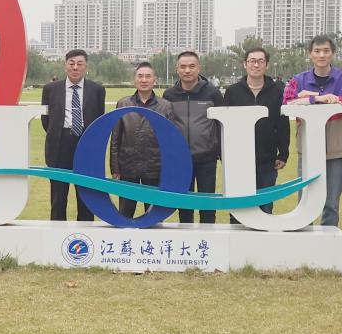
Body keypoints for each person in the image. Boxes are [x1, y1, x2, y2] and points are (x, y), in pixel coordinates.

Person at [283, 35, 342, 227]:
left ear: (333, 53)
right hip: (308, 149)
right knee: (305, 200)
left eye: (326, 51)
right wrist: (317, 98)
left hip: (337, 149)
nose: (322, 55)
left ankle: (329, 239)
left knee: (331, 203)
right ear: (310, 54)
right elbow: (287, 103)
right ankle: (304, 239)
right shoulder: (298, 80)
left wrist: (312, 97)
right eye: (317, 51)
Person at [222, 47, 289, 218]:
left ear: (267, 65)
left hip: (267, 160)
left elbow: (283, 124)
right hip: (238, 160)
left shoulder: (277, 91)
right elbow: (224, 125)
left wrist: (283, 153)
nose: (256, 65)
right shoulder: (233, 92)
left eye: (260, 61)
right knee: (238, 210)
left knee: (265, 208)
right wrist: (224, 154)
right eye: (252, 61)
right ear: (245, 64)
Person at [41, 50, 106, 221]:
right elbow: (46, 121)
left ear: (86, 66)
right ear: (65, 66)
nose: (75, 67)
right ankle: (56, 232)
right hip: (59, 145)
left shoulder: (97, 90)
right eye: (71, 63)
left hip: (86, 145)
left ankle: (86, 233)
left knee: (86, 197)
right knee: (58, 197)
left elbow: (99, 119)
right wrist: (59, 134)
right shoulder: (50, 89)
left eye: (79, 63)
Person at [163, 51, 225, 224]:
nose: (187, 70)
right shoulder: (169, 95)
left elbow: (221, 125)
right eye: (183, 67)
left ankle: (208, 238)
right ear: (177, 69)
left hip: (207, 159)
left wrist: (220, 152)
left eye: (192, 66)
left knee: (207, 205)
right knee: (184, 207)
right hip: (180, 160)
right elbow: (166, 128)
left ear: (199, 68)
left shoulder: (212, 93)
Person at [109, 62, 175, 217]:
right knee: (125, 215)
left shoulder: (165, 106)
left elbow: (170, 142)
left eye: (148, 76)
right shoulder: (123, 104)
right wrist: (115, 167)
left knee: (154, 216)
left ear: (154, 80)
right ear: (135, 80)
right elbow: (115, 139)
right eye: (140, 76)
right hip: (128, 166)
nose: (144, 80)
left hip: (154, 167)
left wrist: (169, 169)